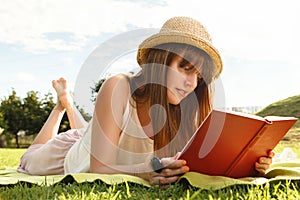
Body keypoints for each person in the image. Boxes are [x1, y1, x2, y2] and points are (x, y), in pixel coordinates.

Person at [18, 16, 274, 186]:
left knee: (85, 130)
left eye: (198, 76)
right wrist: (148, 171)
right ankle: (62, 104)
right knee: (30, 157)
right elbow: (98, 168)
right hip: (68, 156)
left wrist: (248, 164)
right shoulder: (119, 85)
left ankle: (68, 103)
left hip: (93, 135)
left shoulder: (184, 109)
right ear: (160, 61)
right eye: (185, 68)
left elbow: (189, 166)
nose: (192, 83)